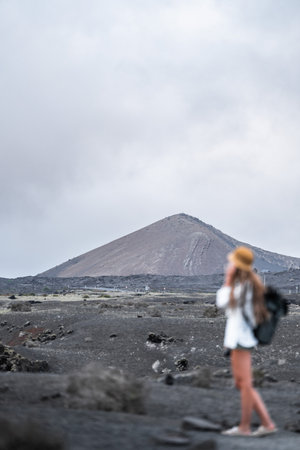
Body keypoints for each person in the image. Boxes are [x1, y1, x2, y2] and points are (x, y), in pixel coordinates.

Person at [216, 246, 277, 437]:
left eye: (232, 263)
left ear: (238, 266)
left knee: (245, 384)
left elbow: (222, 302)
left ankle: (246, 427)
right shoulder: (246, 287)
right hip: (238, 340)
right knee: (241, 383)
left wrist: (227, 280)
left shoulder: (243, 289)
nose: (229, 266)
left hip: (241, 341)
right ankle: (266, 424)